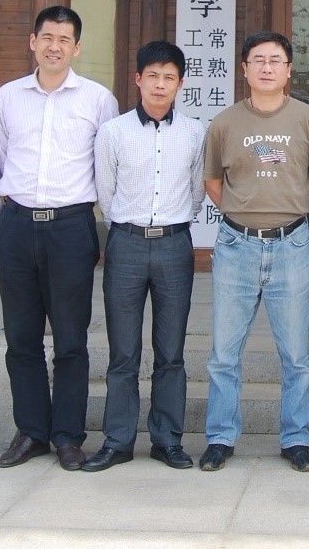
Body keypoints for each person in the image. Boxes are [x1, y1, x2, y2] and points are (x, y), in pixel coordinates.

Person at [0, 5, 118, 471]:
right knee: (21, 336)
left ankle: (67, 435)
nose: (54, 46)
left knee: (70, 339)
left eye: (64, 39)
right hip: (17, 224)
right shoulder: (7, 97)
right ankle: (31, 432)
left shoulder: (98, 100)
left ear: (77, 48)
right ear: (33, 41)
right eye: (47, 37)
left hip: (71, 226)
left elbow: (106, 167)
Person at [200, 31, 309, 473]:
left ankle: (296, 438)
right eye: (258, 60)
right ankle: (220, 436)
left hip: (291, 244)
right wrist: (245, 212)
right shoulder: (224, 123)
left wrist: (280, 209)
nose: (267, 67)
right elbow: (213, 182)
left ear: (289, 70)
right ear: (245, 68)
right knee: (224, 353)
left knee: (296, 354)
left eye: (276, 60)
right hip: (236, 245)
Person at [81, 41, 205, 473]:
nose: (160, 84)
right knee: (123, 352)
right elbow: (105, 192)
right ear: (138, 79)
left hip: (174, 244)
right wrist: (129, 227)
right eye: (152, 75)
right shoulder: (113, 132)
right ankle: (117, 440)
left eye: (169, 77)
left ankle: (167, 440)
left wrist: (172, 224)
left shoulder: (194, 133)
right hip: (127, 243)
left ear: (180, 84)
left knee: (171, 351)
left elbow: (196, 192)